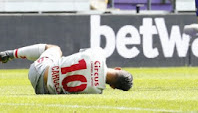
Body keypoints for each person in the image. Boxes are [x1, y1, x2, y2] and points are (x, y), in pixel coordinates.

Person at [0, 43, 133, 94]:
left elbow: (79, 55)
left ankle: (10, 54)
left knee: (54, 48)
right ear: (113, 87)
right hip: (42, 90)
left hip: (38, 69)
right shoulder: (96, 91)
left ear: (118, 68)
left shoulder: (98, 54)